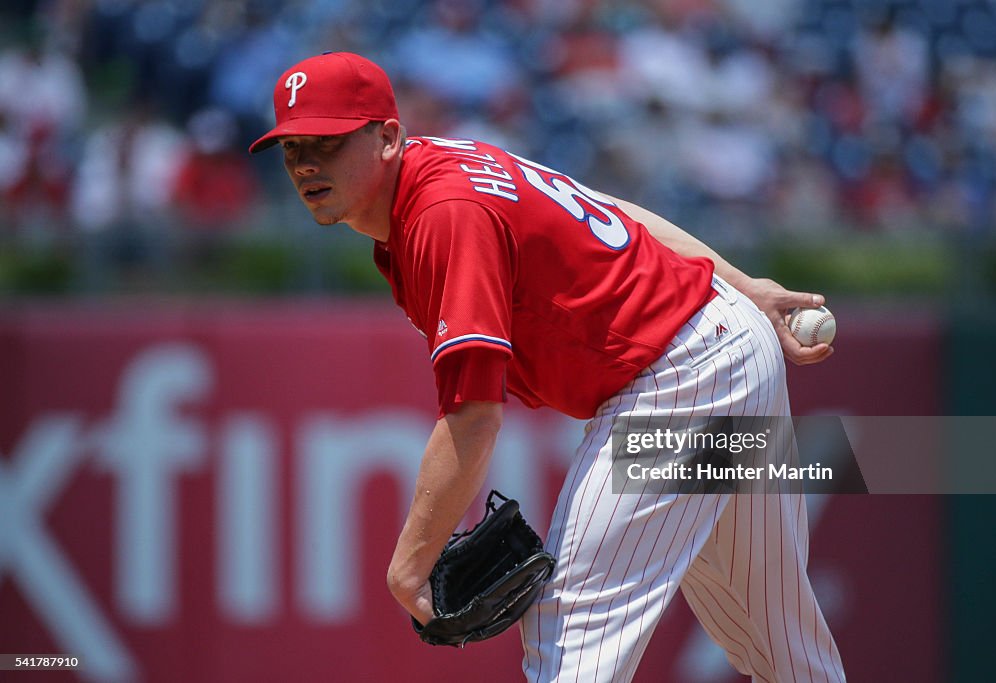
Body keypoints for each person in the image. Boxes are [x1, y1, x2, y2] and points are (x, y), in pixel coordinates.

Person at [251, 52, 845, 682]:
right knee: (778, 638)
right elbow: (614, 211)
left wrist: (410, 562)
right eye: (292, 149)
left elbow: (475, 417)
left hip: (684, 375)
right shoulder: (451, 163)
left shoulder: (443, 212)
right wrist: (742, 287)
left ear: (389, 137)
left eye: (328, 142)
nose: (307, 164)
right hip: (721, 343)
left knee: (572, 629)